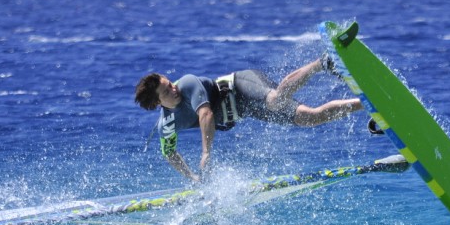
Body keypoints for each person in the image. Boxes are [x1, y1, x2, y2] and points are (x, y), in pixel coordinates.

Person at [134, 55, 363, 182]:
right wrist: (193, 177)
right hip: (245, 111)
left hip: (241, 86)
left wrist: (205, 153)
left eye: (169, 83)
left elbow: (206, 114)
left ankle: (322, 63)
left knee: (275, 100)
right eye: (166, 92)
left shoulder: (187, 83)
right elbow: (169, 153)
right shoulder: (167, 125)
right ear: (157, 104)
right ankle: (365, 103)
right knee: (309, 118)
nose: (173, 89)